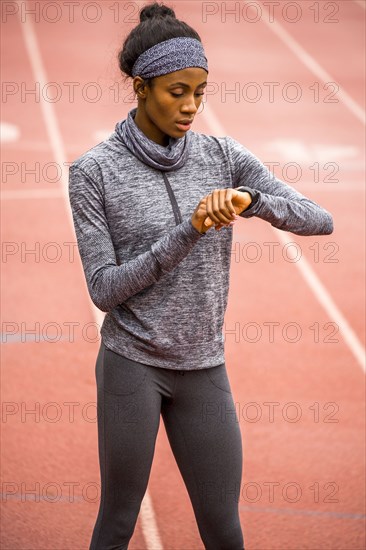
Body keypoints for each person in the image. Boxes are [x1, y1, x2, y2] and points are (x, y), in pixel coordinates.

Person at [68, 2, 333, 549]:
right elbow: (104, 289)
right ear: (141, 88)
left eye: (201, 92)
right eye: (176, 92)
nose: (191, 107)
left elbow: (318, 220)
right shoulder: (93, 172)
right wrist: (187, 231)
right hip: (131, 365)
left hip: (203, 364)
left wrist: (252, 199)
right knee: (118, 522)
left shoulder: (221, 155)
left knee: (224, 529)